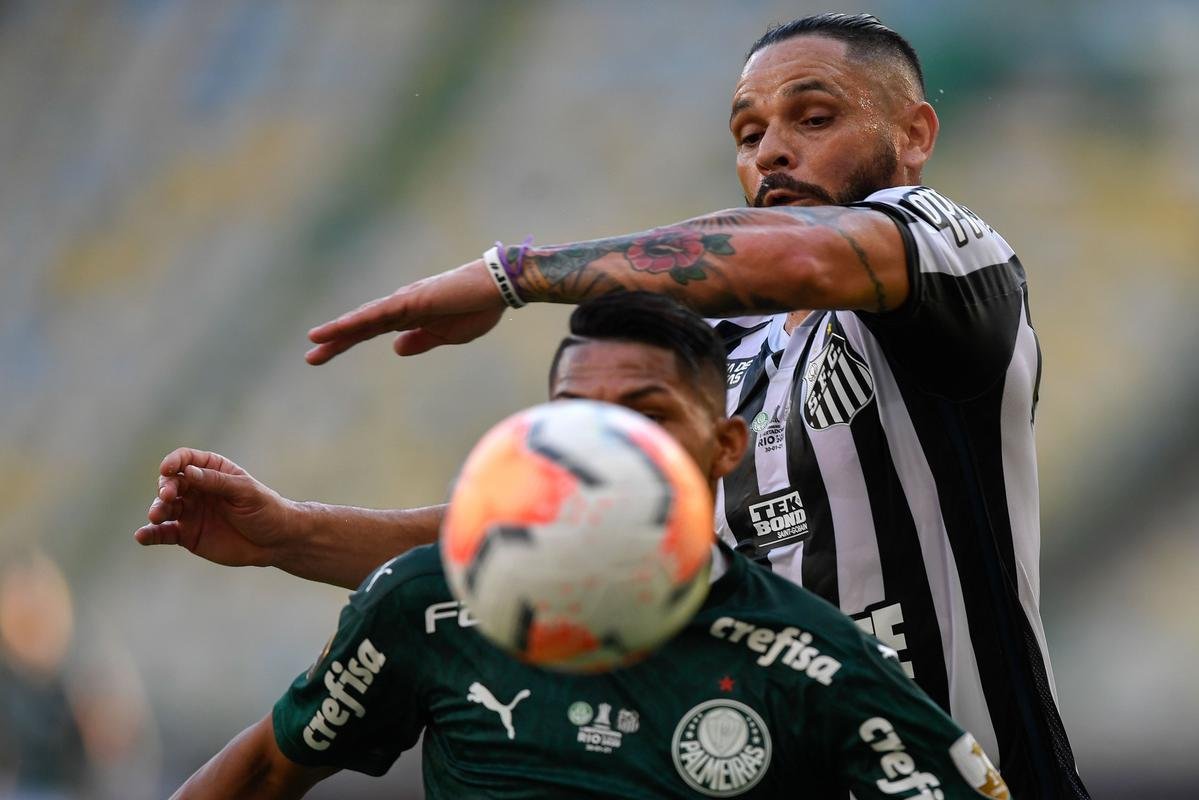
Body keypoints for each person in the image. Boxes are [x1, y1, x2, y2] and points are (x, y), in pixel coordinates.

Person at [139, 13, 1086, 797]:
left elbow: (804, 255)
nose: (771, 151)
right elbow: (551, 536)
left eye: (813, 116)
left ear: (913, 134)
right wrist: (294, 535)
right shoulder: (720, 361)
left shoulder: (953, 256)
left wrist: (511, 274)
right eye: (747, 133)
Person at [168, 293, 1009, 799]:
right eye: (578, 418)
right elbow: (266, 773)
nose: (604, 447)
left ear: (726, 446)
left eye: (647, 415)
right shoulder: (425, 605)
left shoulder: (814, 661)